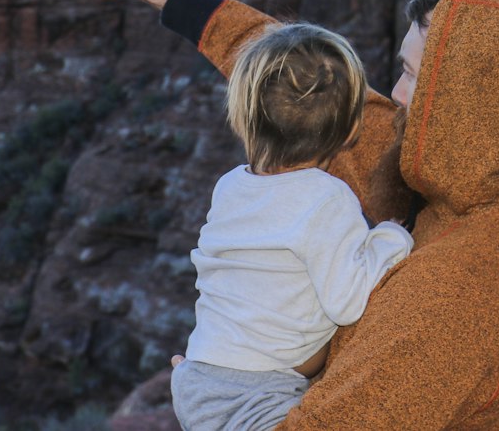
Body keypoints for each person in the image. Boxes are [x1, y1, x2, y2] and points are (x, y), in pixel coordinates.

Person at [62, 0, 499, 429]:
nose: (393, 94)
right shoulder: (465, 174)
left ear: (470, 108)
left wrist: (222, 395)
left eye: (413, 76)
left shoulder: (472, 293)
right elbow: (301, 88)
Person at [173, 22, 413, 431]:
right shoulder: (327, 199)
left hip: (197, 377)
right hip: (258, 393)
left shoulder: (231, 185)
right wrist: (390, 236)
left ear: (243, 115)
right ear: (352, 128)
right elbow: (347, 299)